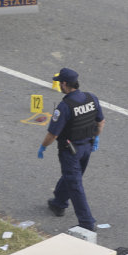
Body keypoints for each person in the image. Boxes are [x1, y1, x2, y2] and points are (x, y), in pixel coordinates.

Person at [37, 68, 105, 232]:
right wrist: (96, 136)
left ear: (65, 84)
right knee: (72, 176)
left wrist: (43, 146)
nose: (59, 85)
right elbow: (100, 122)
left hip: (70, 151)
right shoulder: (91, 98)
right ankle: (58, 203)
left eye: (60, 82)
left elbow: (53, 134)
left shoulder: (64, 106)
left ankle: (87, 223)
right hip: (87, 147)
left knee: (74, 183)